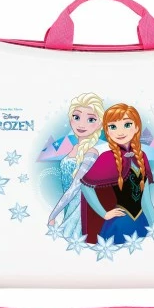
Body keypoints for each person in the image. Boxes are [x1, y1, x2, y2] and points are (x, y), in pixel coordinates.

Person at [80, 103, 154, 244]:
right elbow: (85, 185)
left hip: (141, 221)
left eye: (127, 125)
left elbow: (146, 199)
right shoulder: (106, 158)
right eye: (113, 127)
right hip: (119, 222)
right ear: (107, 131)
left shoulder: (142, 156)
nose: (120, 132)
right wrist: (104, 213)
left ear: (136, 127)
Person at [48, 92, 104, 239]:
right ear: (70, 119)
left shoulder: (91, 153)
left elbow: (75, 187)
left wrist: (53, 214)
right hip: (68, 205)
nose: (81, 124)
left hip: (80, 209)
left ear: (100, 123)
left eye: (91, 119)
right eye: (77, 117)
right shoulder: (73, 148)